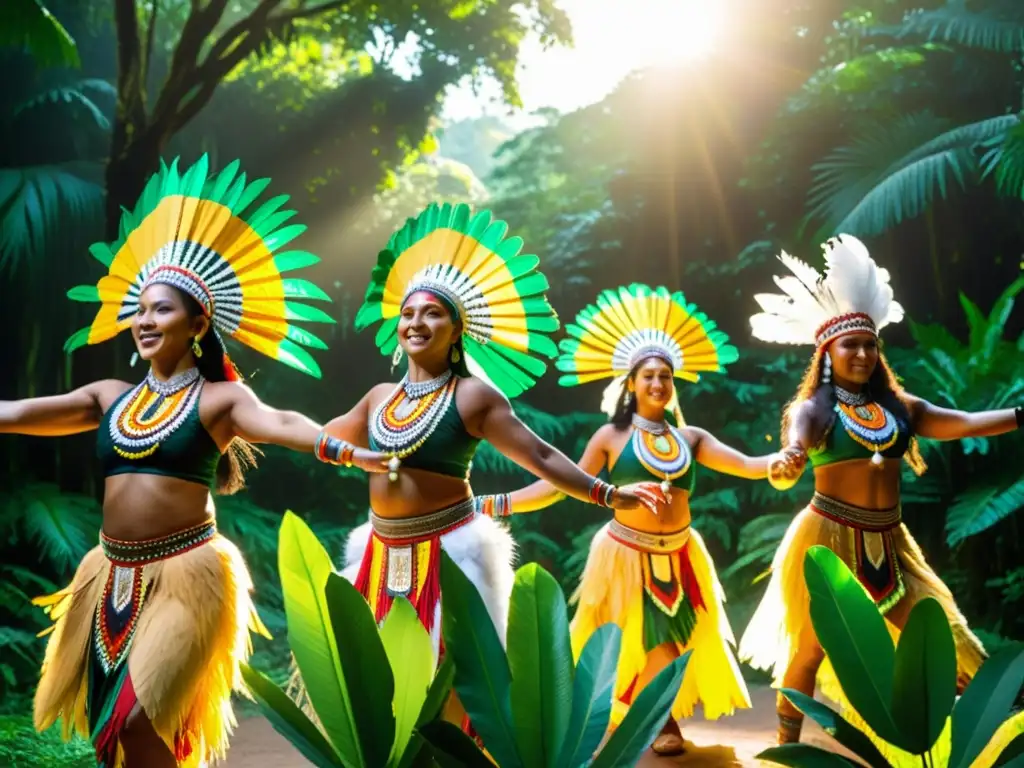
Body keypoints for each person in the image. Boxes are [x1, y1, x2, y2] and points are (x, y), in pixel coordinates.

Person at [4, 155, 386, 768]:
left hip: (188, 575)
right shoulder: (110, 397)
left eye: (162, 310)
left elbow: (282, 423)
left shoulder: (222, 399)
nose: (145, 320)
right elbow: (22, 413)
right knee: (112, 733)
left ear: (198, 321)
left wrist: (344, 449)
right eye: (140, 310)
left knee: (137, 717)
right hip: (108, 574)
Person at [300, 204, 664, 732]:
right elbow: (320, 436)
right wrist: (238, 413)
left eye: (432, 314)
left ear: (456, 329)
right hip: (380, 555)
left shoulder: (473, 397)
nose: (417, 322)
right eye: (408, 313)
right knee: (382, 686)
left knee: (455, 682)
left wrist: (605, 494)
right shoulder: (379, 397)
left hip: (449, 557)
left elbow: (539, 455)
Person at [476, 283, 806, 755]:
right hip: (625, 555)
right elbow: (559, 484)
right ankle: (661, 722)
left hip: (682, 554)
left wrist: (781, 462)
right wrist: (499, 503)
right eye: (648, 375)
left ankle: (645, 715)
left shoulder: (690, 438)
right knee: (647, 644)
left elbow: (748, 464)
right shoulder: (611, 436)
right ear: (630, 383)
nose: (657, 384)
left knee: (679, 642)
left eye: (665, 376)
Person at [738, 235, 1024, 762]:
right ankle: (785, 750)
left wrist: (1019, 416)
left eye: (871, 345)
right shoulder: (812, 409)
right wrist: (790, 459)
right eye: (851, 346)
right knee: (809, 648)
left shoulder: (898, 407)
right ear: (828, 353)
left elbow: (959, 423)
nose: (864, 354)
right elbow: (794, 444)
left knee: (947, 631)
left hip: (890, 540)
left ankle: (993, 737)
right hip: (825, 537)